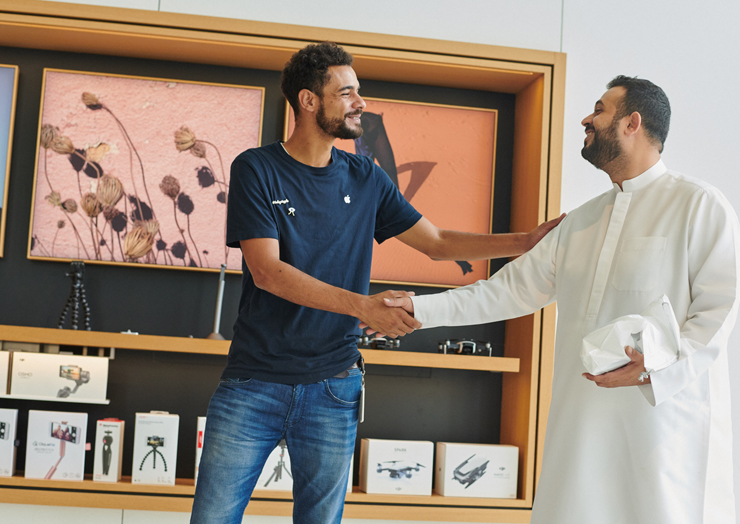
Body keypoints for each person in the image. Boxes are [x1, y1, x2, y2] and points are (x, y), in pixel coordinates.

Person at [190, 41, 564, 524]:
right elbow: (268, 272)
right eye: (346, 93)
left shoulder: (365, 176)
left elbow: (437, 242)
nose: (360, 103)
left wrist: (528, 240)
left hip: (333, 387)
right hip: (252, 384)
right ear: (308, 101)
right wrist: (364, 307)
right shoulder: (256, 169)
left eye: (358, 92)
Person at [379, 76, 740, 523]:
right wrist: (418, 309)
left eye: (600, 110)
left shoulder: (700, 205)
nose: (587, 120)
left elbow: (717, 313)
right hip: (581, 419)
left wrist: (655, 367)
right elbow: (507, 291)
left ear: (633, 122)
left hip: (663, 423)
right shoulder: (582, 220)